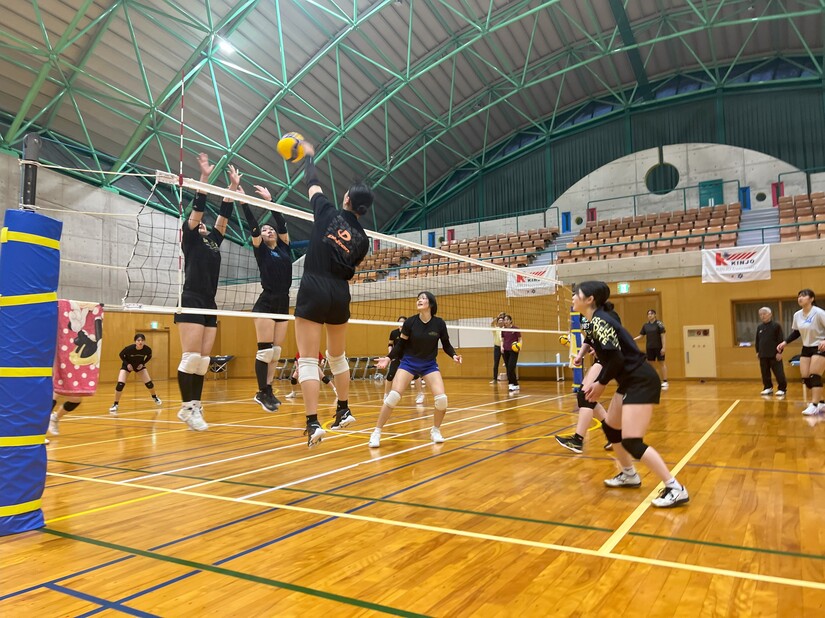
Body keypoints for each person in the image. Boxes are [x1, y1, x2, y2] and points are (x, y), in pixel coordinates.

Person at [574, 281, 688, 508]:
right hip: (628, 381)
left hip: (641, 381)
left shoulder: (601, 320)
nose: (573, 298)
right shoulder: (593, 321)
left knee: (632, 441)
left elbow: (616, 358)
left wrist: (600, 383)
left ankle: (676, 488)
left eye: (577, 294)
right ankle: (629, 474)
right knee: (611, 428)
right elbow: (610, 354)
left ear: (590, 299)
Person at [293, 141, 371, 447]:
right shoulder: (363, 239)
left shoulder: (326, 211)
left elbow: (312, 183)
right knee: (337, 357)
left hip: (314, 285)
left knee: (308, 360)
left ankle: (313, 423)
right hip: (340, 292)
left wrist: (309, 157)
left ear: (347, 199)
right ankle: (343, 409)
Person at [174, 154, 238, 432]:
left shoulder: (213, 240)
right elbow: (197, 210)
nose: (201, 224)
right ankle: (186, 407)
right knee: (190, 357)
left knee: (202, 361)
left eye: (203, 223)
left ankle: (195, 406)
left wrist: (232, 189)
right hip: (190, 299)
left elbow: (224, 216)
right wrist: (204, 178)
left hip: (209, 302)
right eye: (198, 222)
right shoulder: (189, 238)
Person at [371, 292, 462, 448]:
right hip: (409, 363)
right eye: (418, 298)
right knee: (393, 396)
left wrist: (454, 355)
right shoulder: (410, 322)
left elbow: (446, 344)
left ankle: (435, 430)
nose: (419, 300)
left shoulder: (439, 323)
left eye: (423, 298)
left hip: (429, 364)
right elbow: (400, 345)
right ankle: (376, 432)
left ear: (431, 303)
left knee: (442, 400)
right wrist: (388, 358)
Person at [241, 185, 292, 412]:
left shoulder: (284, 248)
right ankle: (261, 391)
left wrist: (271, 202)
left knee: (276, 352)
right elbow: (253, 226)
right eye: (265, 230)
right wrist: (243, 202)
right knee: (265, 351)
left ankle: (269, 390)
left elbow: (282, 224)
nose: (268, 231)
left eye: (271, 229)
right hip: (266, 301)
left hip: (283, 301)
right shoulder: (260, 249)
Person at [777, 289, 825, 415]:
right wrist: (785, 342)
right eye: (799, 296)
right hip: (806, 348)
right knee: (806, 378)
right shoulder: (797, 315)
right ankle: (821, 402)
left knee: (814, 376)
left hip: (820, 347)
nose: (800, 298)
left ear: (811, 299)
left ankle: (814, 405)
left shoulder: (819, 313)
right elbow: (796, 332)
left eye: (803, 296)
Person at [108, 334, 162, 414]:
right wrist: (127, 364)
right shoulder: (129, 349)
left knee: (149, 384)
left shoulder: (147, 349)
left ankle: (155, 397)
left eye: (142, 340)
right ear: (135, 341)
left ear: (144, 341)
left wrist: (143, 363)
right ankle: (115, 404)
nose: (140, 342)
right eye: (138, 340)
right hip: (127, 366)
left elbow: (149, 356)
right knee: (120, 384)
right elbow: (121, 355)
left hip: (139, 366)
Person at [385, 316, 425, 404]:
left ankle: (420, 394)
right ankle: (386, 395)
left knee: (415, 375)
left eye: (403, 322)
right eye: (400, 322)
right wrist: (390, 355)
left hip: (408, 357)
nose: (401, 324)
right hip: (396, 357)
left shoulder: (410, 333)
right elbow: (390, 344)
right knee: (390, 376)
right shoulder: (394, 333)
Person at [755, 307, 787, 397]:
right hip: (763, 354)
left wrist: (779, 352)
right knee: (765, 373)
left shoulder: (776, 326)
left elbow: (780, 339)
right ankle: (768, 387)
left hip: (774, 354)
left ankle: (782, 389)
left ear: (770, 314)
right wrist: (757, 351)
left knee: (779, 373)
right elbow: (757, 340)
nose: (762, 316)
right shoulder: (759, 327)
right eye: (760, 314)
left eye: (764, 314)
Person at [634, 309, 668, 388]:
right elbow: (641, 335)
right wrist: (632, 339)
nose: (650, 315)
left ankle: (665, 381)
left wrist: (663, 347)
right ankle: (654, 380)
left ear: (655, 315)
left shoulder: (659, 324)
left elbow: (663, 336)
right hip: (649, 347)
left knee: (662, 363)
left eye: (651, 314)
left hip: (659, 347)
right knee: (651, 365)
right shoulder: (646, 325)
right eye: (648, 314)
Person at [501, 314, 522, 393]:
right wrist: (501, 347)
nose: (505, 321)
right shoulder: (503, 330)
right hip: (505, 350)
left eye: (507, 320)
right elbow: (502, 340)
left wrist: (520, 346)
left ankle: (511, 384)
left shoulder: (515, 329)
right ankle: (516, 384)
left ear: (510, 321)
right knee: (508, 368)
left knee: (511, 367)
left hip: (514, 350)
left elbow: (520, 339)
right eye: (504, 320)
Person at [490, 312, 506, 384]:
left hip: (504, 348)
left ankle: (511, 378)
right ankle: (495, 379)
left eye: (502, 320)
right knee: (496, 364)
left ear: (503, 322)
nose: (500, 321)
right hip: (497, 348)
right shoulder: (495, 329)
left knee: (507, 363)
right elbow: (491, 324)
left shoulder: (506, 329)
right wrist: (497, 317)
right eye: (499, 320)